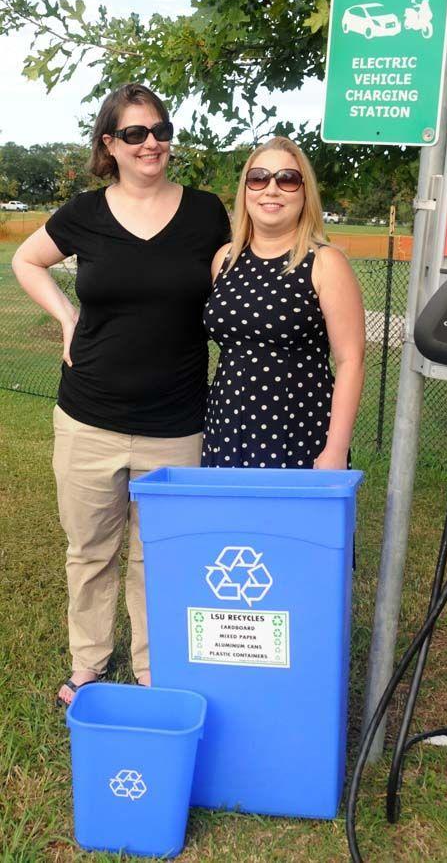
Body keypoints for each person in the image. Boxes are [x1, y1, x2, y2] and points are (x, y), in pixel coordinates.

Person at [12, 84, 231, 705]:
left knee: (159, 554)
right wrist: (66, 317)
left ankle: (152, 668)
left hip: (178, 421)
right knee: (90, 550)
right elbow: (27, 261)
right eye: (134, 134)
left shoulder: (206, 212)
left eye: (159, 130)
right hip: (89, 415)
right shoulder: (83, 212)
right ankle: (87, 664)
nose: (151, 143)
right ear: (109, 144)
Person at [202, 136, 365, 470]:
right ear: (246, 189)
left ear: (305, 193)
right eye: (259, 178)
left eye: (287, 179)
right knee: (227, 524)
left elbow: (351, 361)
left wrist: (335, 449)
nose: (271, 189)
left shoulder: (325, 262)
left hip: (298, 431)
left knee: (291, 524)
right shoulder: (225, 260)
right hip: (226, 428)